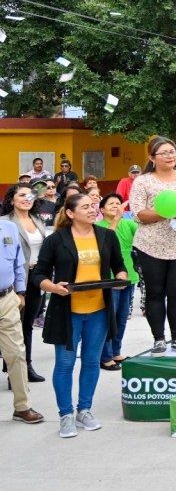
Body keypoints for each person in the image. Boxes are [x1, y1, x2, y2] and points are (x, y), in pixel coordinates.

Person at [33, 193, 127, 437]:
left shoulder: (107, 236)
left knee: (91, 362)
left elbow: (120, 266)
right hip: (67, 312)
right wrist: (52, 287)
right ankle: (65, 415)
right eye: (85, 207)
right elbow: (39, 274)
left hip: (98, 311)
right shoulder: (56, 240)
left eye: (93, 206)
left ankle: (84, 410)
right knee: (64, 365)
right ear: (71, 213)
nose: (92, 209)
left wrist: (120, 279)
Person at [129, 137, 176, 356]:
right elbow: (138, 213)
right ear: (152, 157)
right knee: (154, 292)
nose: (170, 156)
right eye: (164, 153)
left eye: (173, 152)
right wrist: (164, 212)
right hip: (151, 245)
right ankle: (158, 339)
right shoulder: (143, 181)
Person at [1, 185, 49, 382]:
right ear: (11, 200)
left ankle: (25, 366)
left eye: (29, 195)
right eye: (21, 195)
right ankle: (14, 368)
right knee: (12, 325)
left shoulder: (38, 221)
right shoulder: (4, 223)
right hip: (15, 279)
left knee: (27, 324)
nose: (26, 198)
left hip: (37, 277)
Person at [0, 215, 44, 425]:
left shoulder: (8, 228)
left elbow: (19, 261)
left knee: (17, 353)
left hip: (7, 298)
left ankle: (22, 407)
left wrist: (20, 291)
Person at [96, 194, 139, 371]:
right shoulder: (98, 227)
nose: (115, 206)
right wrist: (116, 219)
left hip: (129, 277)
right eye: (111, 204)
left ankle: (115, 351)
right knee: (108, 319)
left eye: (118, 203)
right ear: (102, 209)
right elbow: (107, 243)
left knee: (121, 319)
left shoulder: (128, 224)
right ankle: (105, 356)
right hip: (109, 279)